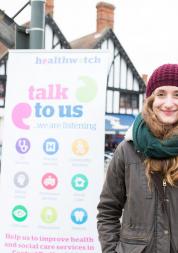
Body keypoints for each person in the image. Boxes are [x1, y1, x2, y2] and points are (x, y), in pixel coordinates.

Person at [97, 63, 178, 253]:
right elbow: (108, 210)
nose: (168, 103)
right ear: (150, 100)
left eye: (177, 95)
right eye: (161, 94)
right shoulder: (127, 150)